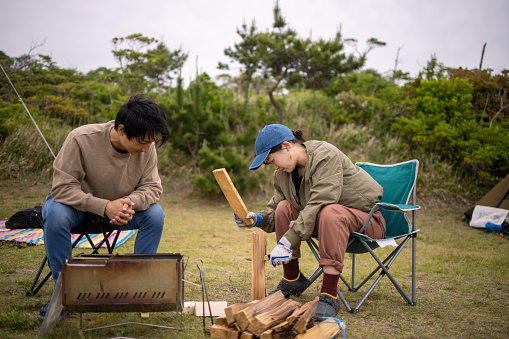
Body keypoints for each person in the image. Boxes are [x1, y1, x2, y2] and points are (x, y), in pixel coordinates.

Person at [234, 124, 386, 320]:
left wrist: (286, 242)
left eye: (272, 160)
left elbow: (321, 201)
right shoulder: (282, 174)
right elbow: (277, 209)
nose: (275, 167)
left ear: (287, 146)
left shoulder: (325, 156)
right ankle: (293, 278)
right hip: (324, 222)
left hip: (368, 221)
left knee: (330, 212)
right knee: (284, 208)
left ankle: (329, 294)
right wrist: (257, 219)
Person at [39, 94, 169, 317]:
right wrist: (104, 206)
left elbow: (152, 188)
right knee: (55, 213)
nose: (147, 149)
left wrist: (130, 202)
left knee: (155, 214)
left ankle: (138, 288)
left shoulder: (147, 147)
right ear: (121, 129)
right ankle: (64, 295)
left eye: (151, 143)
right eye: (142, 143)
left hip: (119, 210)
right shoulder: (81, 139)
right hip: (76, 207)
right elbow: (61, 189)